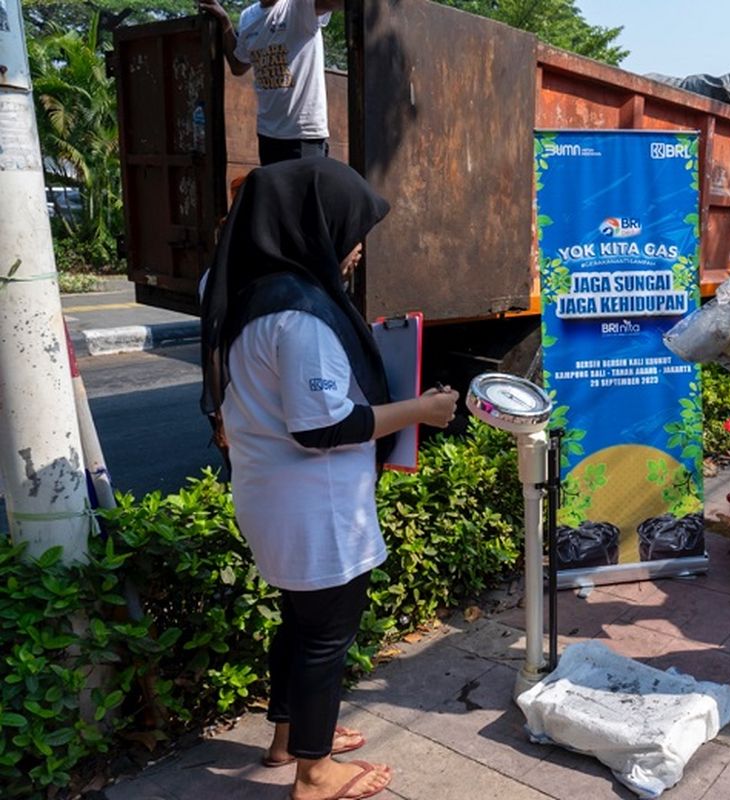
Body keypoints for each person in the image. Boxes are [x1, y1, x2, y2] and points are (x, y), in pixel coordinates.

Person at [200, 159, 458, 800]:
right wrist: (421, 410)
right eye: (351, 228)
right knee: (325, 637)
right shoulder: (302, 317)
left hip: (273, 497)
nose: (358, 244)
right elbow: (322, 428)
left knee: (299, 622)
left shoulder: (253, 294)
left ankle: (290, 740)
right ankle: (314, 775)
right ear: (310, 225)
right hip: (314, 507)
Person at [199, 0, 339, 165]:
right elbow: (238, 65)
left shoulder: (299, 6)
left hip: (302, 133)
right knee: (273, 190)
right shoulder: (248, 17)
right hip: (267, 134)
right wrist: (224, 21)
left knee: (301, 191)